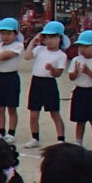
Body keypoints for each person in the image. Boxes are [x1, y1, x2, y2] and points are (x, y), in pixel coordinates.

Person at [23, 20, 68, 148]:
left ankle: (61, 138)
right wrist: (33, 42)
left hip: (49, 83)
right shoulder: (40, 49)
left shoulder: (61, 55)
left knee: (54, 112)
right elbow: (27, 57)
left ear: (59, 38)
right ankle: (35, 137)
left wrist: (52, 69)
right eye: (47, 37)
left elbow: (58, 73)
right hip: (36, 82)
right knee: (34, 113)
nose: (49, 40)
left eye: (53, 37)